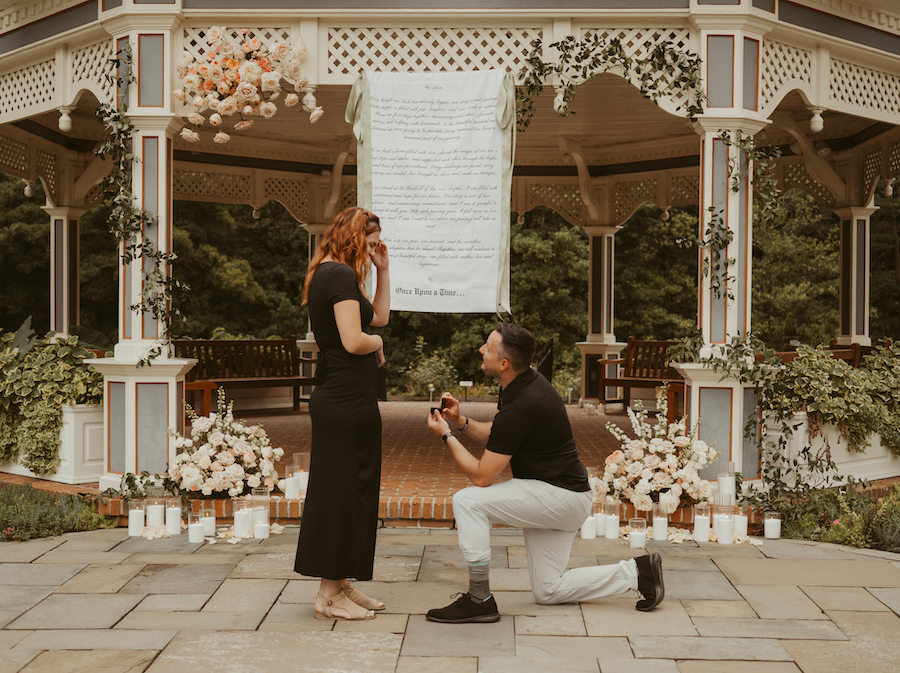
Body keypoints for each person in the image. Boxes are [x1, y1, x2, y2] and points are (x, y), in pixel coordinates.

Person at [425, 323, 663, 623]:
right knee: (548, 590)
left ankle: (479, 597)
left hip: (559, 496)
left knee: (468, 500)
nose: (480, 349)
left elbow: (482, 476)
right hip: (562, 496)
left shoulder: (523, 402)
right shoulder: (522, 383)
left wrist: (446, 435)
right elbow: (499, 436)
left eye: (487, 346)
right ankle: (637, 574)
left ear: (504, 363)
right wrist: (460, 421)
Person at [294, 207, 390, 621]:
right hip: (344, 401)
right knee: (341, 495)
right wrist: (377, 343)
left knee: (353, 492)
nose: (372, 251)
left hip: (349, 400)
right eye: (369, 245)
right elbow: (354, 341)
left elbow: (379, 317)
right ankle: (327, 596)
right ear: (353, 238)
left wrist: (383, 270)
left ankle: (340, 582)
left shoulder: (335, 275)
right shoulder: (338, 276)